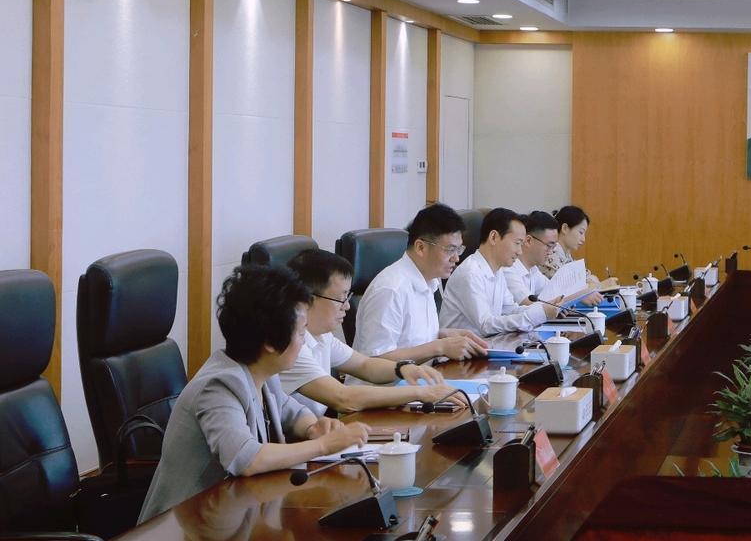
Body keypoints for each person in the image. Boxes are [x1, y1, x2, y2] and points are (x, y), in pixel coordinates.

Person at [139, 265, 370, 522]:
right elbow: (246, 458)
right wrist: (323, 445)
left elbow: (291, 412)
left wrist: (313, 427)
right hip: (182, 528)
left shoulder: (261, 371)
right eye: (301, 332)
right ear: (270, 342)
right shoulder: (218, 384)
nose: (304, 341)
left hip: (234, 516)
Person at [280, 249, 464, 417]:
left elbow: (365, 365)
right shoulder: (291, 345)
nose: (347, 306)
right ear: (307, 299)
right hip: (296, 438)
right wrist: (421, 392)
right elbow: (343, 398)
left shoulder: (322, 336)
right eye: (340, 298)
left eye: (348, 297)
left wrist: (404, 369)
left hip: (316, 427)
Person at [353, 203, 489, 361]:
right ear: (420, 247)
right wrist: (440, 347)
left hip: (423, 374)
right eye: (450, 250)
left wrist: (442, 336)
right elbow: (376, 360)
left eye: (459, 249)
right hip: (393, 378)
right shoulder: (390, 289)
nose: (456, 258)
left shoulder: (429, 281)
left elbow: (409, 340)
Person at [441, 207, 562, 336]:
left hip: (488, 344)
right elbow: (486, 325)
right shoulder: (470, 273)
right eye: (517, 243)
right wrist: (538, 314)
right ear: (494, 237)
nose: (520, 251)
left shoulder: (497, 271)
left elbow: (510, 310)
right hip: (462, 348)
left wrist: (543, 309)